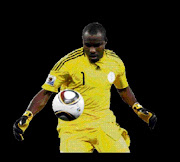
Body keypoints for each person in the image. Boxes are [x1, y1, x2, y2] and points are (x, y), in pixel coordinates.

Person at [13, 22, 157, 153]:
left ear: (105, 42)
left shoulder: (115, 62)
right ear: (83, 42)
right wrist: (28, 115)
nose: (92, 50)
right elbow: (46, 92)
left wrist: (138, 108)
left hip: (104, 122)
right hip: (73, 127)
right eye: (87, 45)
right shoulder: (67, 63)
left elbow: (123, 89)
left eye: (97, 45)